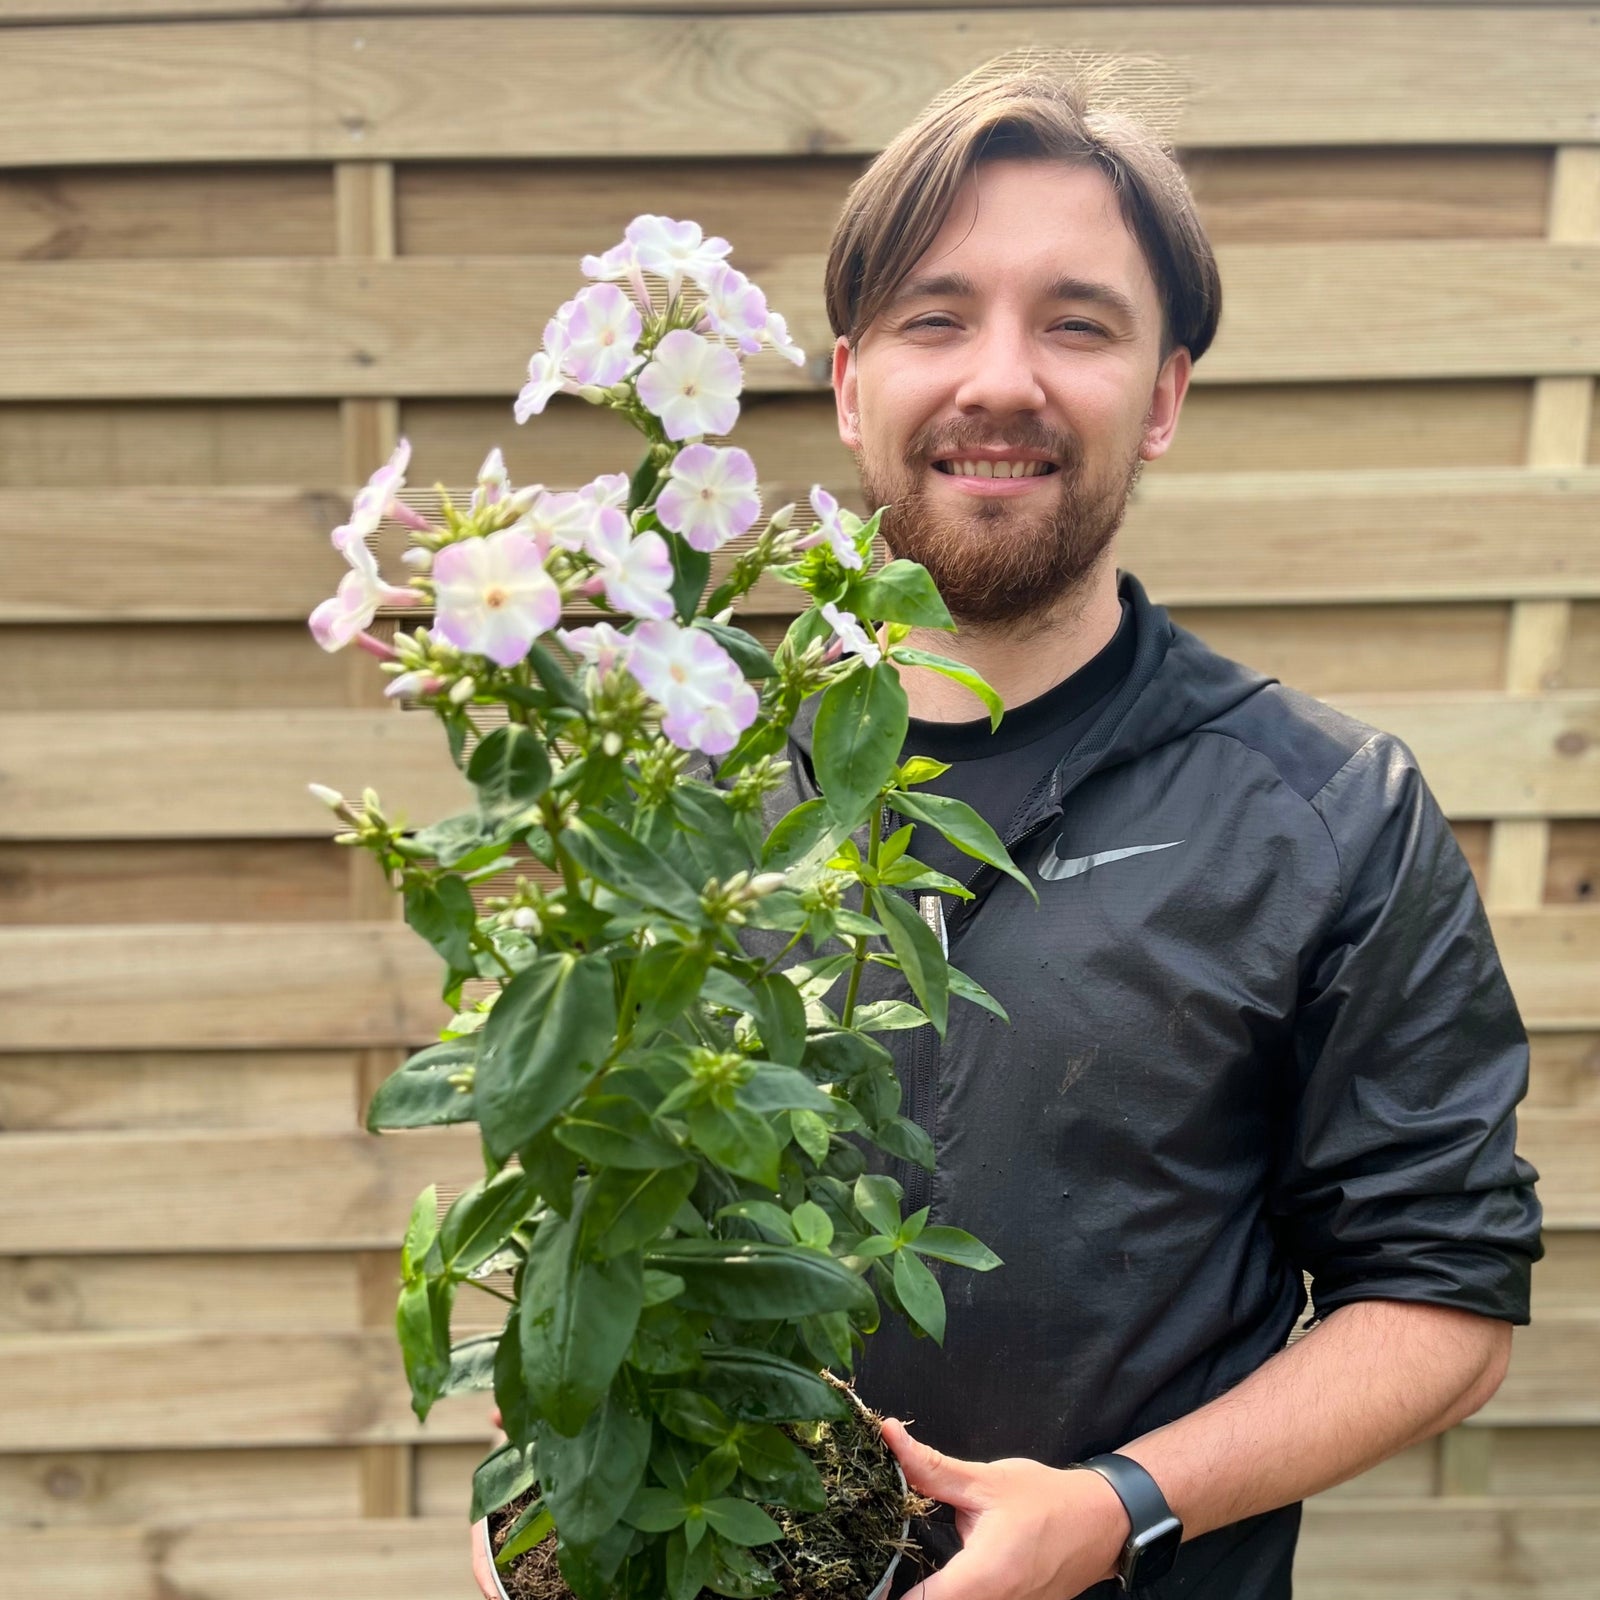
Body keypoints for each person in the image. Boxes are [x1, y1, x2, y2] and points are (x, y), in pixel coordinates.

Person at [769, 52, 1543, 1600]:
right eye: (938, 315)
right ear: (852, 383)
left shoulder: (1325, 814)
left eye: (1077, 322)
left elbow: (1445, 1308)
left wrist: (1120, 1506)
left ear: (1165, 393)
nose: (1002, 377)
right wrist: (554, 1477)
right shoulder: (686, 791)